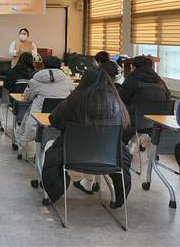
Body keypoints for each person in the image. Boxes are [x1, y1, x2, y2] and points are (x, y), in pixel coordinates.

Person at [42, 67, 132, 207]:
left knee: (49, 147)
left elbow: (54, 120)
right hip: (109, 158)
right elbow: (125, 126)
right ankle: (114, 195)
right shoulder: (117, 102)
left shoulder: (74, 100)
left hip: (72, 156)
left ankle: (51, 193)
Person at [16, 55, 74, 151]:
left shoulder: (35, 80)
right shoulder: (68, 80)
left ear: (43, 65)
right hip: (61, 119)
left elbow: (27, 97)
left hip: (39, 121)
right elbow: (72, 96)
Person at [118, 55, 171, 144]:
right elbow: (168, 97)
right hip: (159, 120)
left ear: (133, 67)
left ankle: (121, 148)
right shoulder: (160, 81)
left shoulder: (132, 79)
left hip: (137, 120)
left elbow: (121, 98)